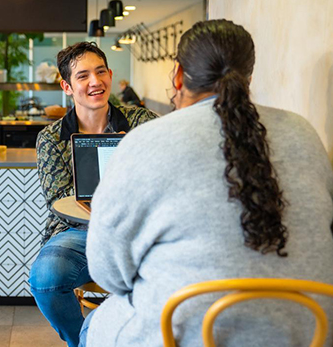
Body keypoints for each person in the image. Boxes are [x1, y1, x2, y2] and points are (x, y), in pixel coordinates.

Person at [82, 20, 333, 347]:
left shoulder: (146, 141)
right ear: (248, 79)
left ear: (178, 75)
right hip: (308, 330)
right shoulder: (304, 133)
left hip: (189, 334)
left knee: (93, 325)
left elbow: (107, 273)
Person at [28, 41, 158, 347]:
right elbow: (60, 198)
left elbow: (163, 178)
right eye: (83, 76)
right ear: (67, 86)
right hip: (78, 232)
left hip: (138, 228)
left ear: (111, 75)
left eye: (100, 72)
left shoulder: (143, 123)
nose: (95, 82)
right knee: (45, 280)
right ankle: (84, 342)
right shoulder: (51, 137)